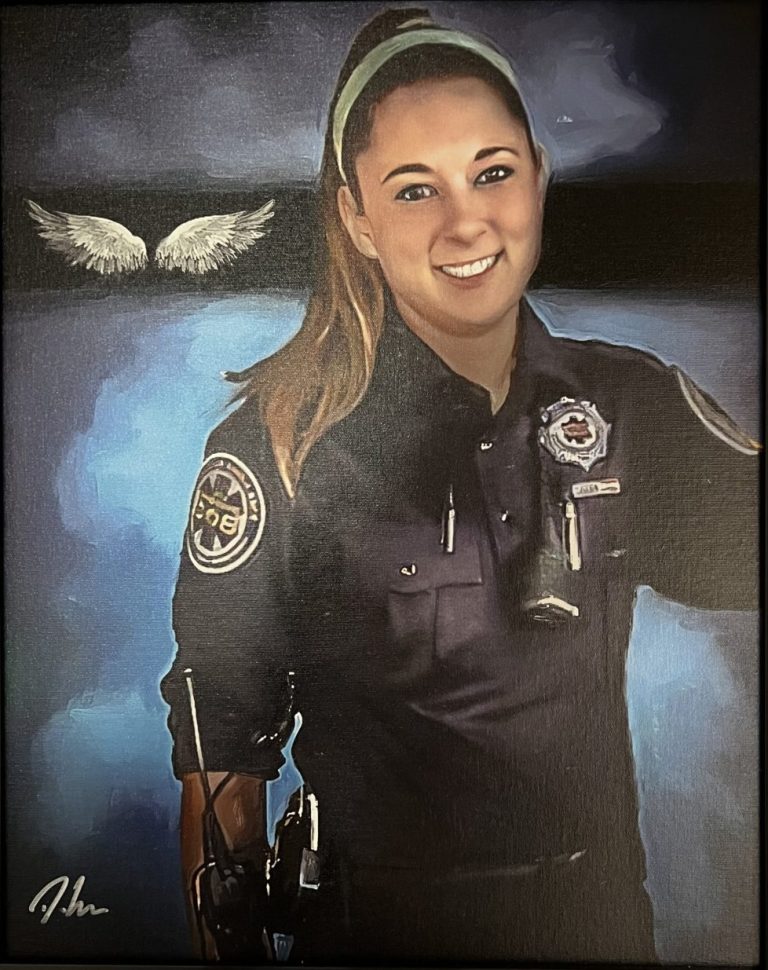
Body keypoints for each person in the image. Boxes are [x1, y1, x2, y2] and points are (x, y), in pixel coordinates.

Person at [160, 7, 759, 964]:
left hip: (599, 933)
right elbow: (223, 779)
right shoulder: (279, 450)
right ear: (355, 216)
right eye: (412, 191)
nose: (465, 220)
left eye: (491, 171)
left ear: (538, 175)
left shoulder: (630, 408)